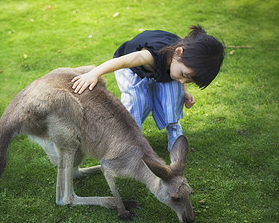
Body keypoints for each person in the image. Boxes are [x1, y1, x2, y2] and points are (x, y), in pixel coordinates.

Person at [71, 25, 224, 151]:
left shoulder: (181, 62)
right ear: (178, 52)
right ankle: (129, 139)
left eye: (188, 80)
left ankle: (174, 131)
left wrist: (184, 91)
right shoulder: (150, 55)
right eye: (184, 74)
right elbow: (122, 62)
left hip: (162, 69)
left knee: (173, 92)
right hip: (131, 69)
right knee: (137, 100)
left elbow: (182, 77)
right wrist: (94, 73)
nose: (183, 80)